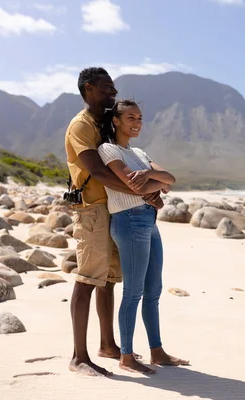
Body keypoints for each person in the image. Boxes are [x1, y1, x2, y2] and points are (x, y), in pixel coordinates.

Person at [65, 67, 163, 377]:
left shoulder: (104, 124)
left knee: (108, 280)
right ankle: (79, 357)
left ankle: (108, 345)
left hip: (115, 209)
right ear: (90, 88)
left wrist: (148, 187)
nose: (113, 93)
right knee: (87, 279)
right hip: (92, 209)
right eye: (107, 88)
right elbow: (101, 172)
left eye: (114, 88)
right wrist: (146, 193)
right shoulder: (81, 126)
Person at [97, 99, 190, 375]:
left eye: (139, 118)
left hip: (150, 221)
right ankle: (126, 356)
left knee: (154, 292)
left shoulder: (138, 151)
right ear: (116, 120)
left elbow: (169, 179)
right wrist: (153, 185)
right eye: (130, 118)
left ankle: (157, 351)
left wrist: (151, 176)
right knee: (133, 292)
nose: (136, 123)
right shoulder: (108, 149)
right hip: (128, 221)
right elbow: (130, 182)